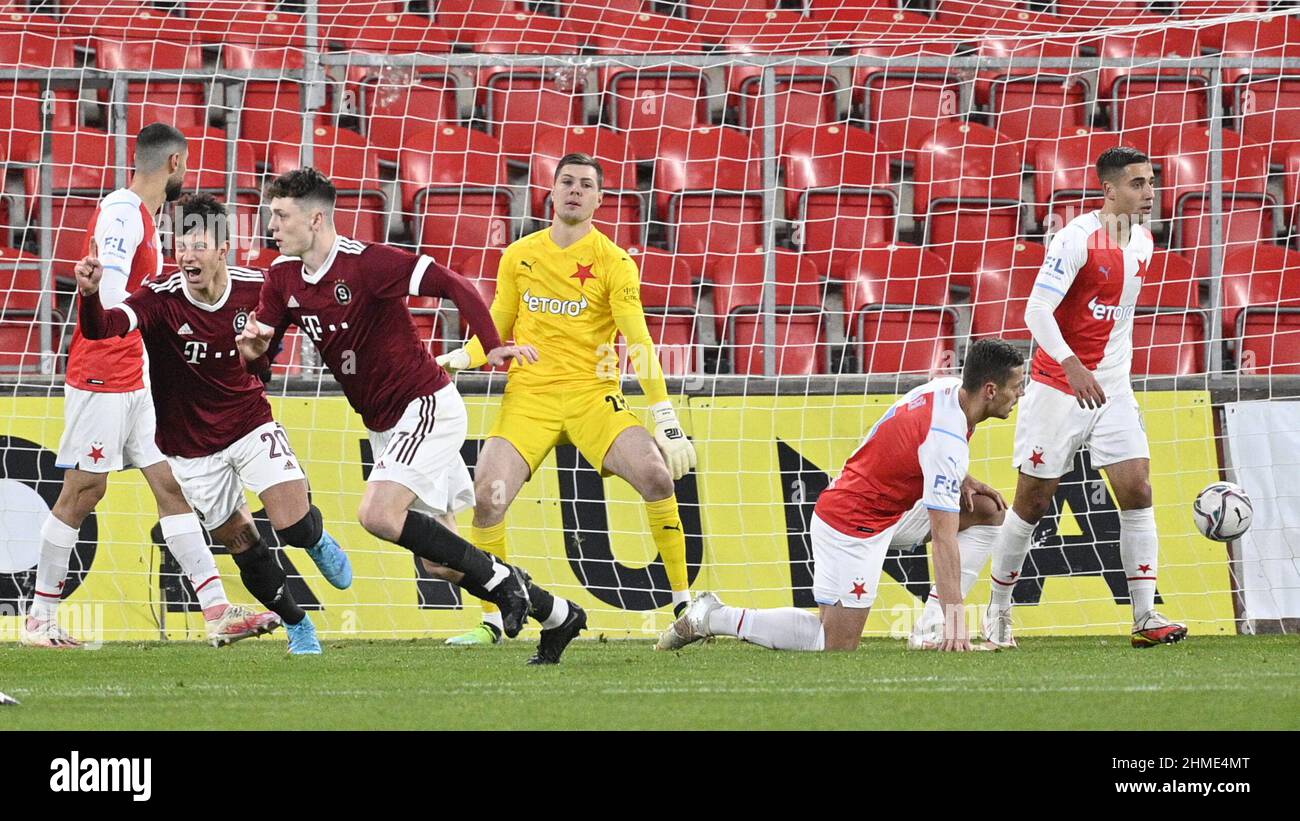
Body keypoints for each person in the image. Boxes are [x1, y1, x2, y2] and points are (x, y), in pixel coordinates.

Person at [237, 168, 586, 664]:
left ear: (315, 219)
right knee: (437, 561)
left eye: (280, 215)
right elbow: (262, 366)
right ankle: (557, 615)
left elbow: (454, 283)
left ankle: (506, 583)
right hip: (385, 425)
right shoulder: (282, 278)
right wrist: (252, 354)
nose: (269, 224)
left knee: (377, 514)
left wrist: (492, 347)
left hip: (426, 406)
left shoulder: (368, 263)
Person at [435, 153, 697, 646]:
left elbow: (637, 340)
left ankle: (684, 607)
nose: (575, 190)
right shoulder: (518, 255)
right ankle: (496, 618)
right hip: (529, 398)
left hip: (593, 396)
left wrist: (664, 416)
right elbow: (494, 331)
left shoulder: (615, 262)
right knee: (488, 501)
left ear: (600, 199)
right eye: (567, 182)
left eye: (586, 184)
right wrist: (459, 359)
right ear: (551, 193)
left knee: (657, 475)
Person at [24, 124, 269, 649]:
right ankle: (40, 619)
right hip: (102, 372)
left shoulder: (144, 218)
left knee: (171, 486)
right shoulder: (121, 212)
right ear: (175, 164)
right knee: (84, 490)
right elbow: (109, 297)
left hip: (136, 376)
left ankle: (217, 611)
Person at [75, 193, 354, 654]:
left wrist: (268, 358)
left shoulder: (257, 289)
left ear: (223, 250)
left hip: (249, 424)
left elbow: (285, 343)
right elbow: (102, 327)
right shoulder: (160, 299)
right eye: (179, 245)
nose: (186, 255)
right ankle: (298, 623)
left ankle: (317, 537)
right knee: (243, 540)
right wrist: (88, 296)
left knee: (292, 527)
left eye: (198, 245)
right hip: (190, 447)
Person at [657, 338, 1025, 653]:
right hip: (852, 524)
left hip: (894, 512)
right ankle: (713, 616)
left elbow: (898, 439)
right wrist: (960, 626)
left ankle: (930, 633)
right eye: (1016, 386)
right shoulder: (946, 442)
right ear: (990, 390)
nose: (1020, 394)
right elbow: (944, 541)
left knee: (989, 511)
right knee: (833, 642)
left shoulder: (945, 390)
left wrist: (960, 478)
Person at [981, 146, 1187, 650]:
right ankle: (998, 610)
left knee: (1137, 489)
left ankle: (1145, 615)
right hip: (1057, 388)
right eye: (1138, 184)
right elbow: (1037, 311)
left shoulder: (1143, 242)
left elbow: (1116, 319)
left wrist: (1113, 374)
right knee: (1032, 502)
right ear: (1109, 190)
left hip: (1112, 388)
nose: (1150, 193)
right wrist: (1073, 366)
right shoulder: (1074, 241)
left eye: (1151, 182)